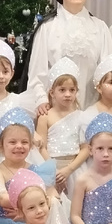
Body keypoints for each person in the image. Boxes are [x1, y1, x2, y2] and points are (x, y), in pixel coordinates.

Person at [24, 0, 112, 114]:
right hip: (55, 112)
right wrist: (41, 100)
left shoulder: (100, 28)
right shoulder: (47, 28)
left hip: (92, 112)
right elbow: (37, 74)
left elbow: (109, 71)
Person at [35, 57, 82, 194]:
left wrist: (69, 169)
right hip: (51, 168)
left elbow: (86, 148)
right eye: (62, 90)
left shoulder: (82, 116)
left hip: (75, 168)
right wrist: (53, 170)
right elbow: (41, 147)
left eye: (72, 90)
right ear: (52, 92)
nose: (67, 94)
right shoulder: (45, 117)